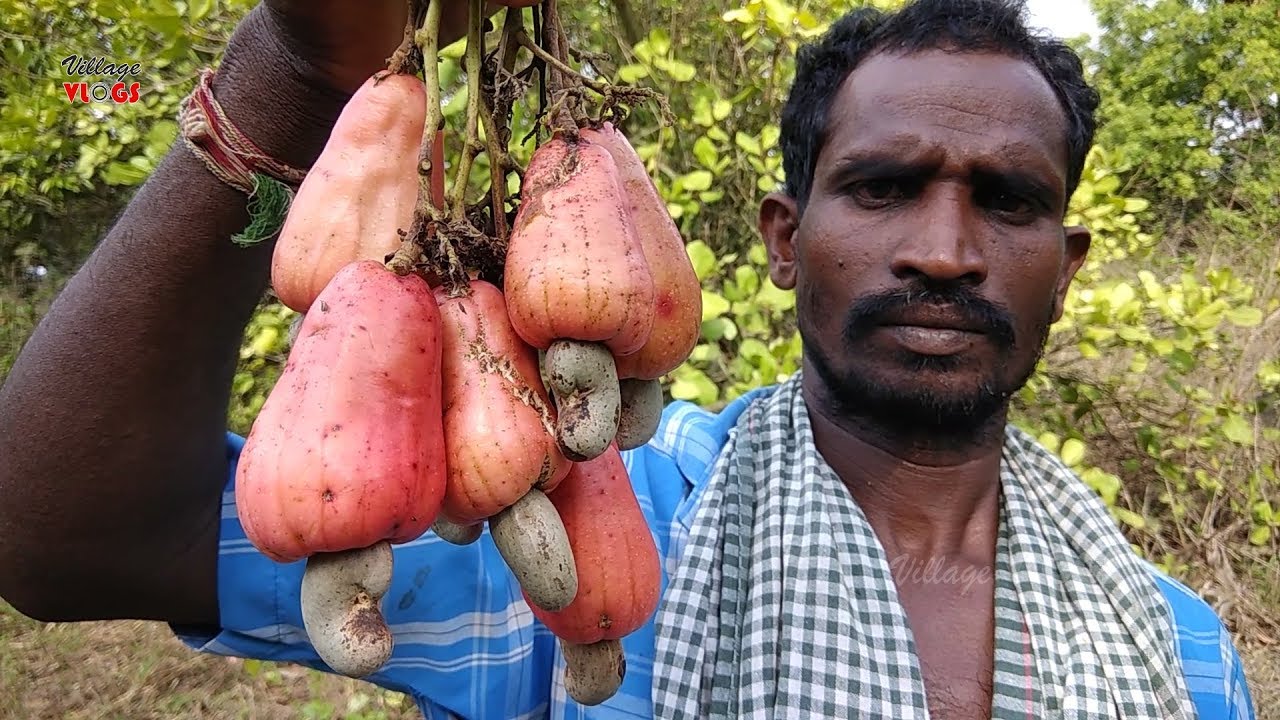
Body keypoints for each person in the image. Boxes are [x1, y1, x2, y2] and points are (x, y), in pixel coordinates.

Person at [0, 0, 1258, 718]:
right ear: (782, 238)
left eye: (1007, 202)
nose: (943, 250)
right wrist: (297, 67)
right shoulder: (587, 518)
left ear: (1069, 260)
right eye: (878, 188)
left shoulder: (1184, 652)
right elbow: (62, 536)